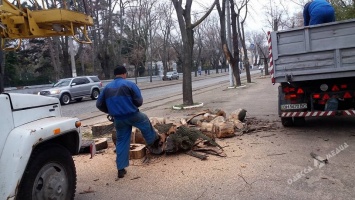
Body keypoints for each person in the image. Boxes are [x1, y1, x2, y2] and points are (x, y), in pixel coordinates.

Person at [96, 65, 161, 179]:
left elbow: (99, 104)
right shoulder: (129, 84)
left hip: (118, 119)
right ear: (124, 74)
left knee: (121, 141)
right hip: (133, 115)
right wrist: (130, 105)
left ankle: (121, 169)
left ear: (115, 75)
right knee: (145, 121)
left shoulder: (107, 88)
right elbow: (139, 101)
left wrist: (110, 111)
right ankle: (153, 142)